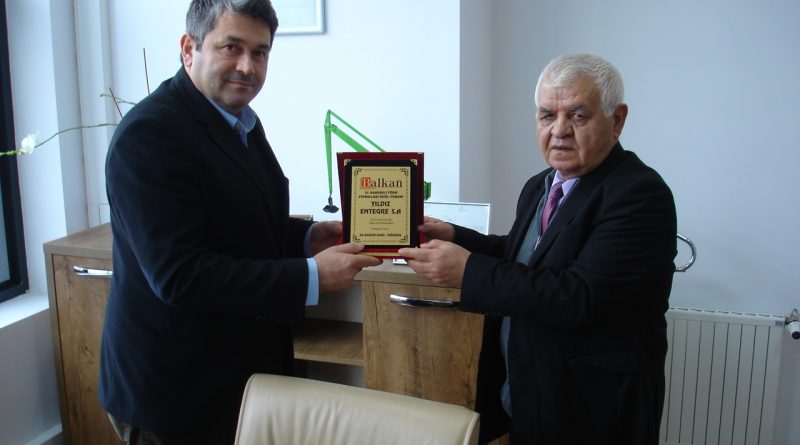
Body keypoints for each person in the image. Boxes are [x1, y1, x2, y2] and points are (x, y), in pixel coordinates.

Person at [99, 1, 381, 443]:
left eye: (260, 52)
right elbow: (181, 276)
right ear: (189, 48)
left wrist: (308, 237)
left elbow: (236, 221)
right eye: (231, 47)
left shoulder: (240, 120)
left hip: (240, 380)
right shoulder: (150, 134)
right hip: (177, 397)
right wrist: (311, 276)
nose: (248, 67)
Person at [400, 54, 677, 444]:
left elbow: (577, 295)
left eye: (578, 116)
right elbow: (523, 255)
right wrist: (453, 234)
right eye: (547, 115)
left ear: (617, 120)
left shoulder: (639, 194)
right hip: (532, 395)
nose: (559, 131)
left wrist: (468, 271)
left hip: (593, 410)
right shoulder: (541, 184)